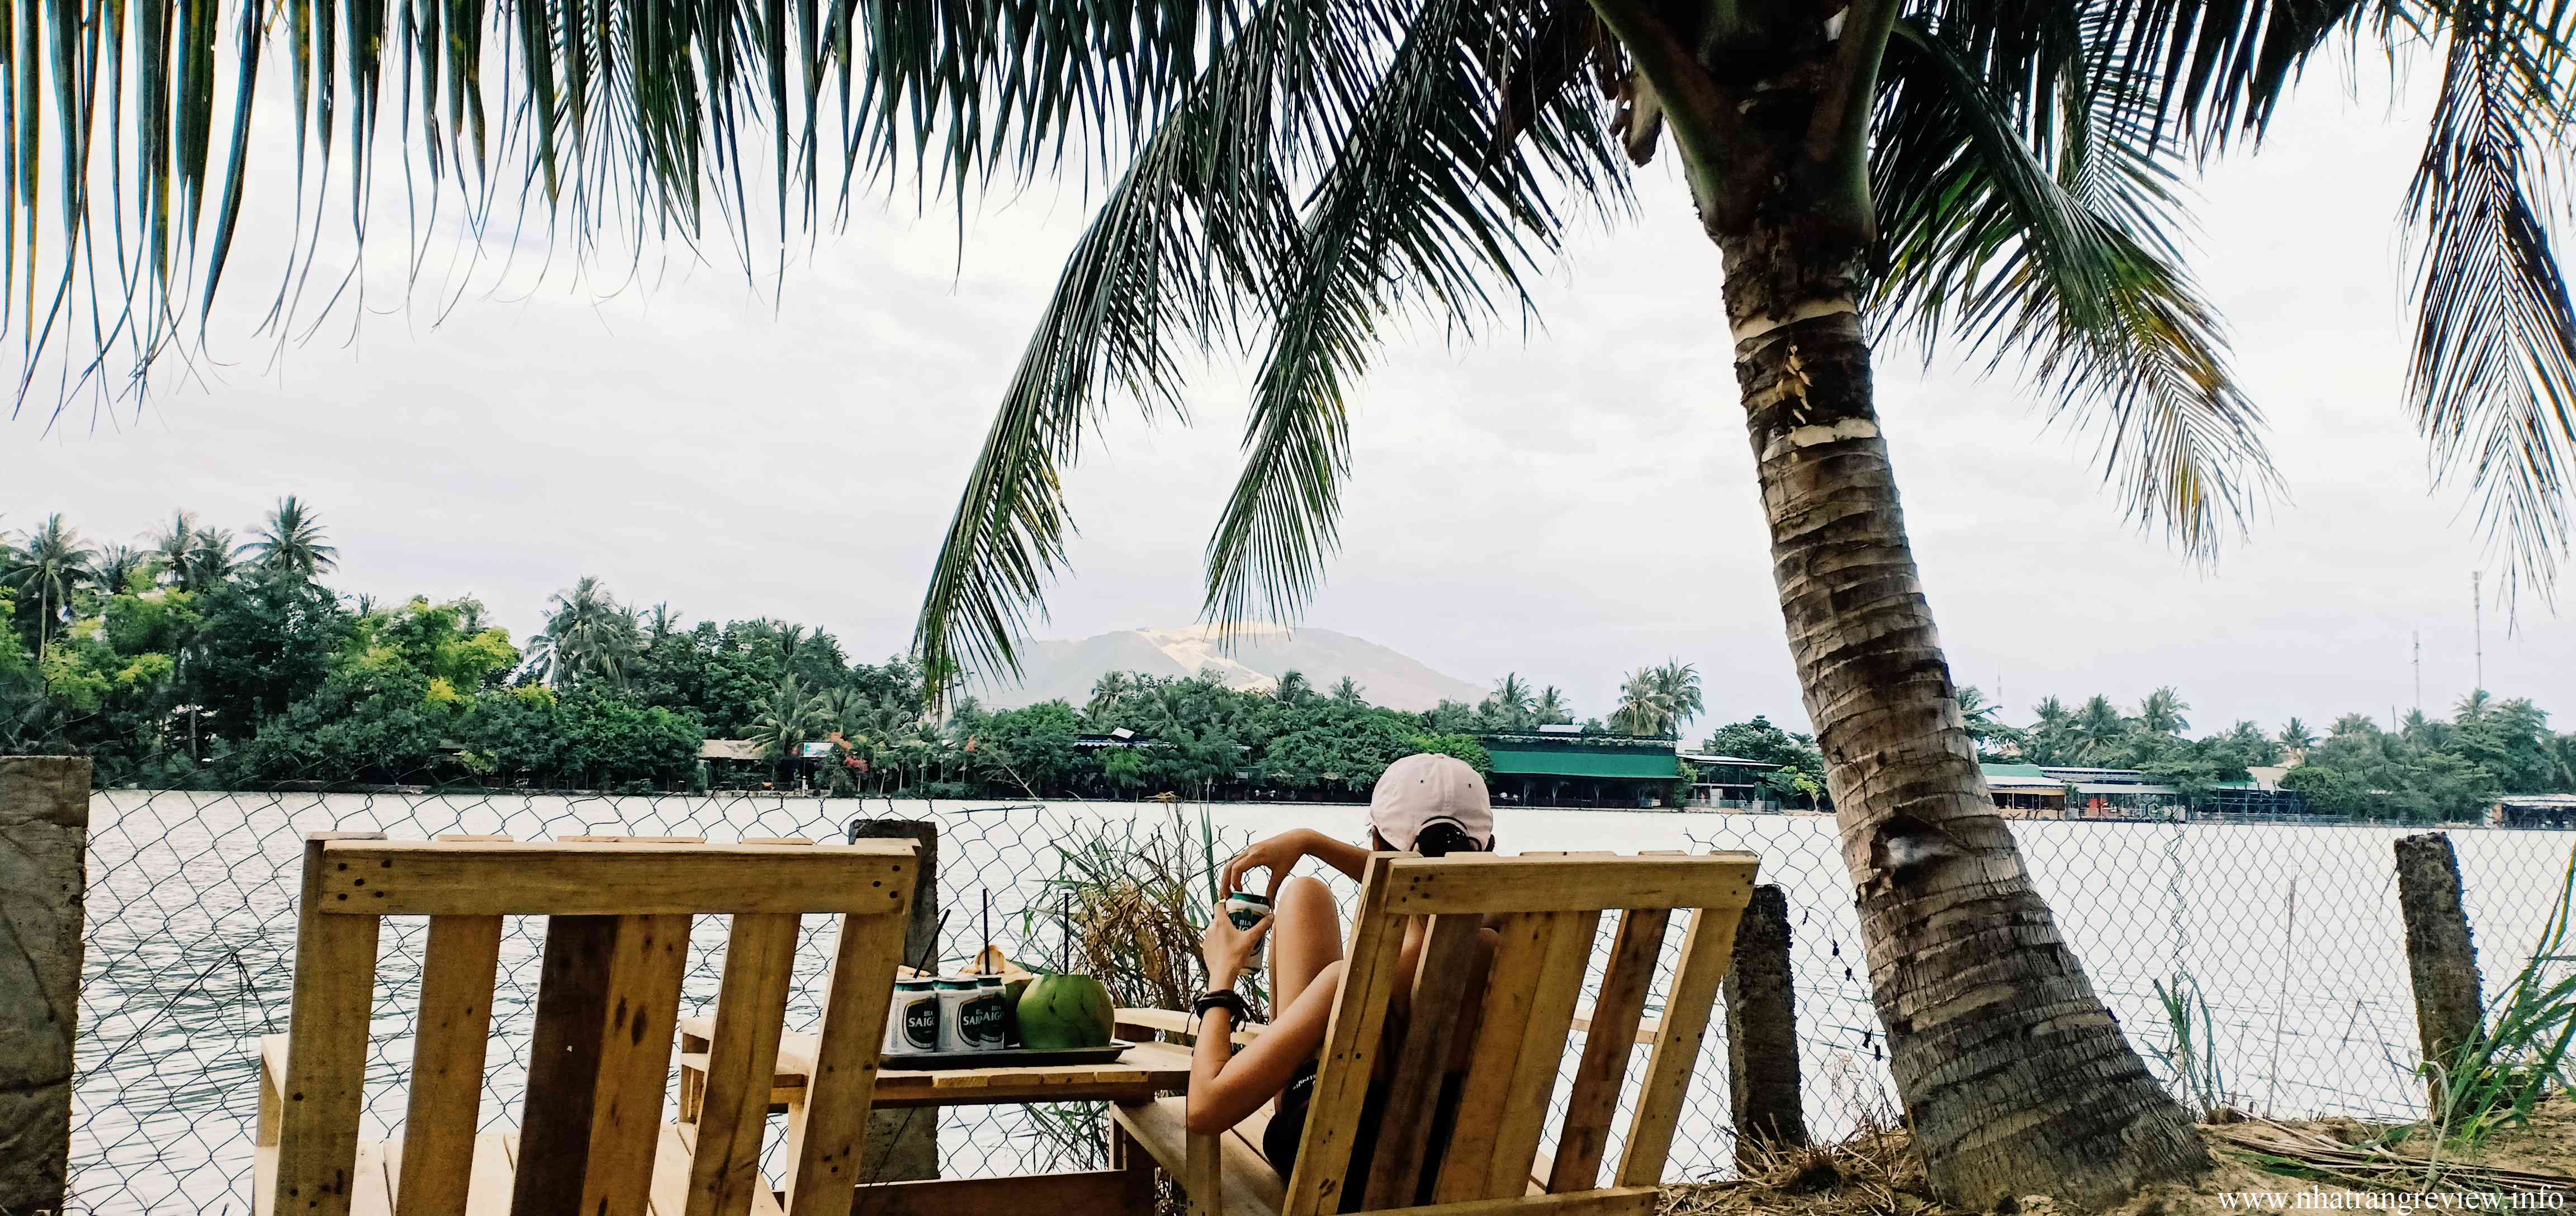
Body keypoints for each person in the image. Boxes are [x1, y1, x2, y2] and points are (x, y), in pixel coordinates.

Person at [1185, 752, 1501, 1199]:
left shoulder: (1349, 985)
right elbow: (1444, 884)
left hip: (1335, 1169)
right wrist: (1311, 842)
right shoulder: (1508, 940)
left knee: (1301, 897)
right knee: (1306, 895)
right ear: (1488, 849)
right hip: (1452, 1167)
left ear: (1376, 844)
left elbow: (1205, 1111)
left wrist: (1222, 977)